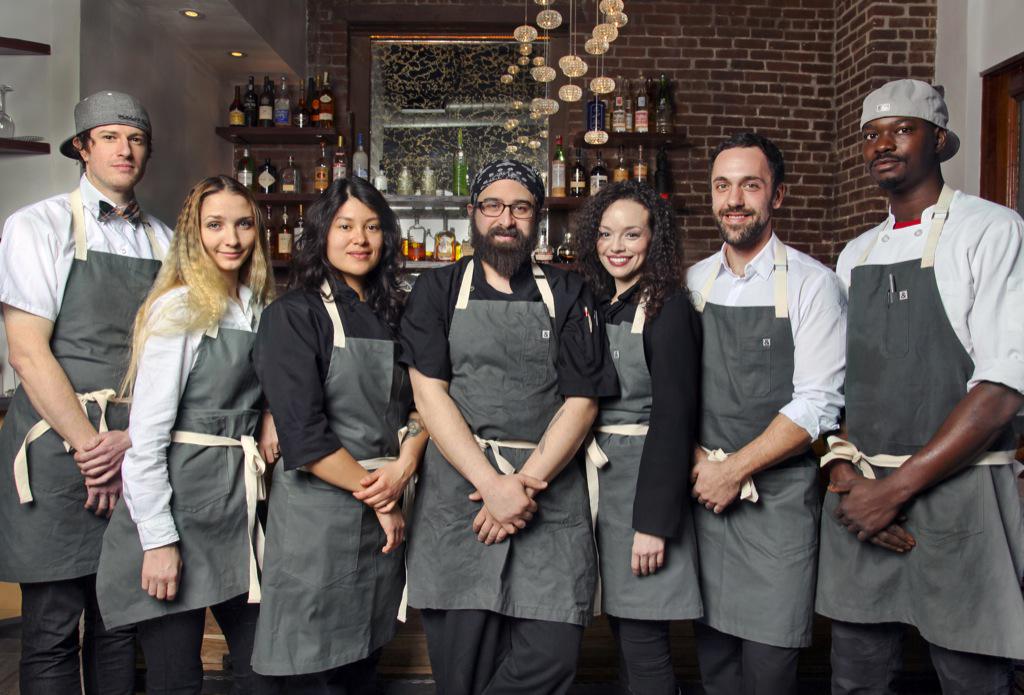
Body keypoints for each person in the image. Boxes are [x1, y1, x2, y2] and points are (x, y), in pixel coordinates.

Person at [818, 79, 1024, 695]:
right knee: (855, 677)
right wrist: (846, 478)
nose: (883, 144)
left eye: (901, 129)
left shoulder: (992, 230)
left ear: (938, 139)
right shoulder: (855, 255)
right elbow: (839, 387)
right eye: (871, 135)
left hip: (963, 496)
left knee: (971, 678)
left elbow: (1003, 388)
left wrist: (895, 490)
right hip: (864, 500)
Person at [400, 159, 619, 694]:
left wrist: (519, 488)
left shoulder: (570, 292)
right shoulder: (436, 291)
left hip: (547, 495)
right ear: (473, 214)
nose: (506, 218)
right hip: (462, 502)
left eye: (520, 207)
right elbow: (430, 396)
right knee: (462, 671)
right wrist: (490, 485)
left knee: (550, 659)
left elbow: (582, 402)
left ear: (537, 217)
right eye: (493, 206)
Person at [0, 91, 172, 695]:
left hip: (135, 445)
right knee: (50, 627)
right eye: (109, 137)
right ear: (82, 147)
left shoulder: (165, 240)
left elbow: (173, 359)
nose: (125, 150)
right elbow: (26, 350)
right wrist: (90, 449)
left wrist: (130, 443)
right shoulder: (36, 225)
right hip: (57, 448)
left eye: (136, 138)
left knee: (119, 624)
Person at [93, 175, 274, 693]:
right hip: (176, 512)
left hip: (233, 510)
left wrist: (269, 417)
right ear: (193, 233)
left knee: (264, 666)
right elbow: (145, 439)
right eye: (214, 225)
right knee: (176, 679)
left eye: (243, 224)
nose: (231, 239)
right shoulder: (179, 307)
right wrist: (159, 541)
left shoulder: (256, 304)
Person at [251, 176, 428, 693]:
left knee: (362, 656)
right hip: (318, 517)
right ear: (321, 234)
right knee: (310, 664)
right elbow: (304, 436)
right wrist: (381, 499)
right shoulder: (293, 315)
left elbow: (425, 406)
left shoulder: (396, 314)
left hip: (383, 503)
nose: (360, 239)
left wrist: (407, 460)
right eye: (345, 225)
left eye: (373, 227)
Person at [686, 132, 846, 695]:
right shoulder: (692, 285)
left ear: (775, 196)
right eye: (722, 185)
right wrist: (702, 465)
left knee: (769, 668)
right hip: (704, 496)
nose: (734, 199)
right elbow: (669, 393)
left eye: (750, 185)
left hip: (777, 505)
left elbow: (818, 402)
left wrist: (734, 470)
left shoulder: (814, 285)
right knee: (716, 664)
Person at [573, 180, 703, 695]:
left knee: (645, 638)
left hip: (642, 490)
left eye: (631, 234)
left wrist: (652, 524)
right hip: (601, 481)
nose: (616, 247)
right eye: (606, 234)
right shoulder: (604, 303)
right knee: (625, 630)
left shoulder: (668, 308)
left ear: (656, 240)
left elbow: (676, 418)